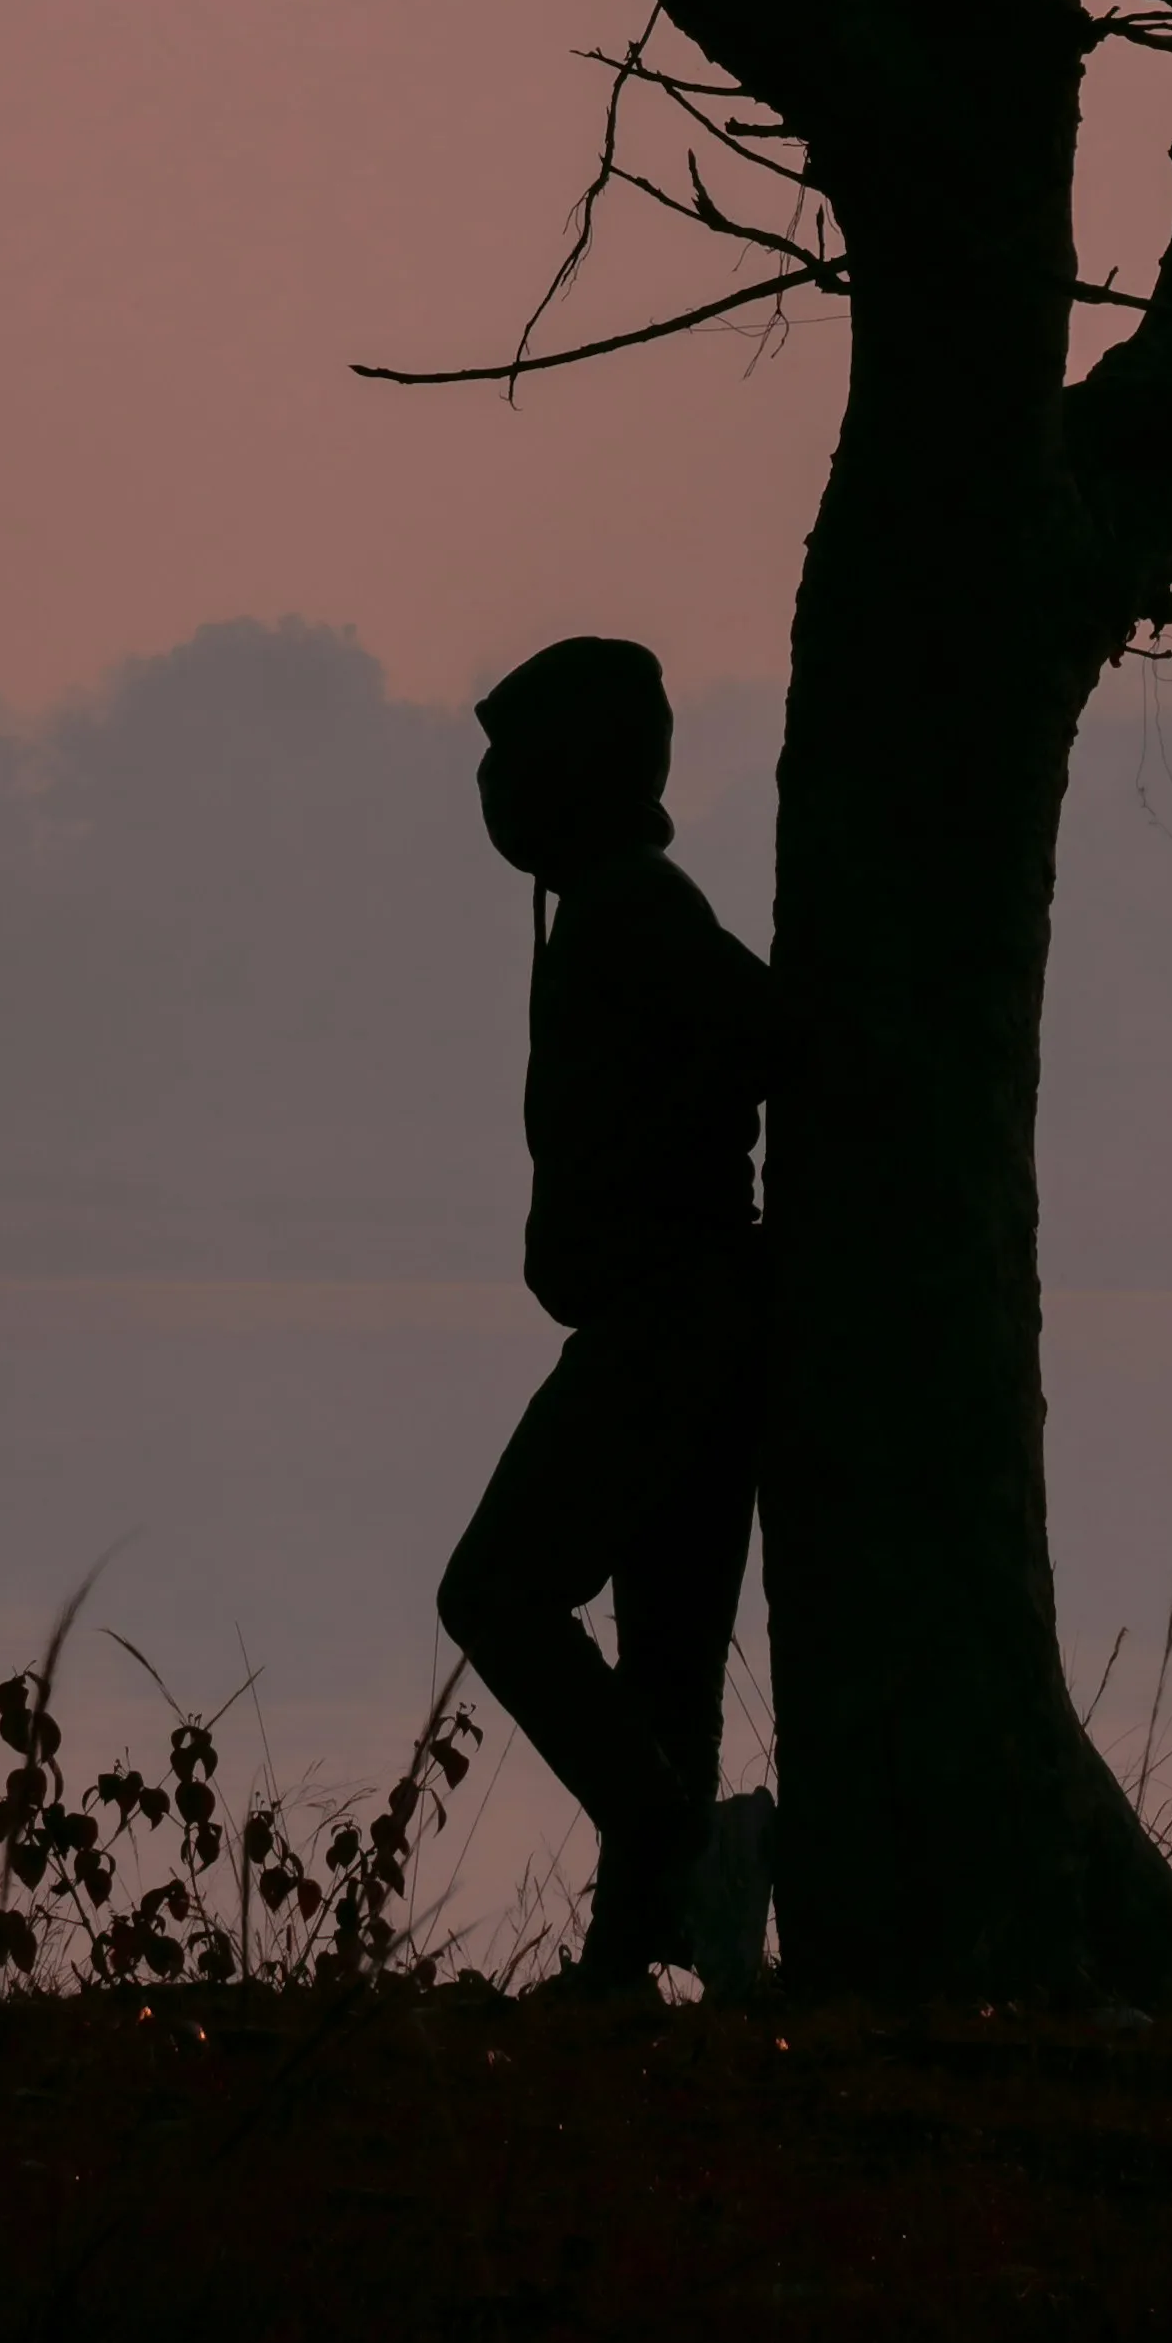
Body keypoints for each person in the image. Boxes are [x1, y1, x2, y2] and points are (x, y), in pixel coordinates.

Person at [436, 634, 778, 1998]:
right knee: (668, 1671)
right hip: (691, 1324)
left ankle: (670, 1846)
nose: (496, 796)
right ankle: (634, 1952)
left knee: (496, 1592)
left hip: (670, 1328)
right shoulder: (624, 907)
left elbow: (766, 1029)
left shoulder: (637, 912)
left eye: (514, 767)